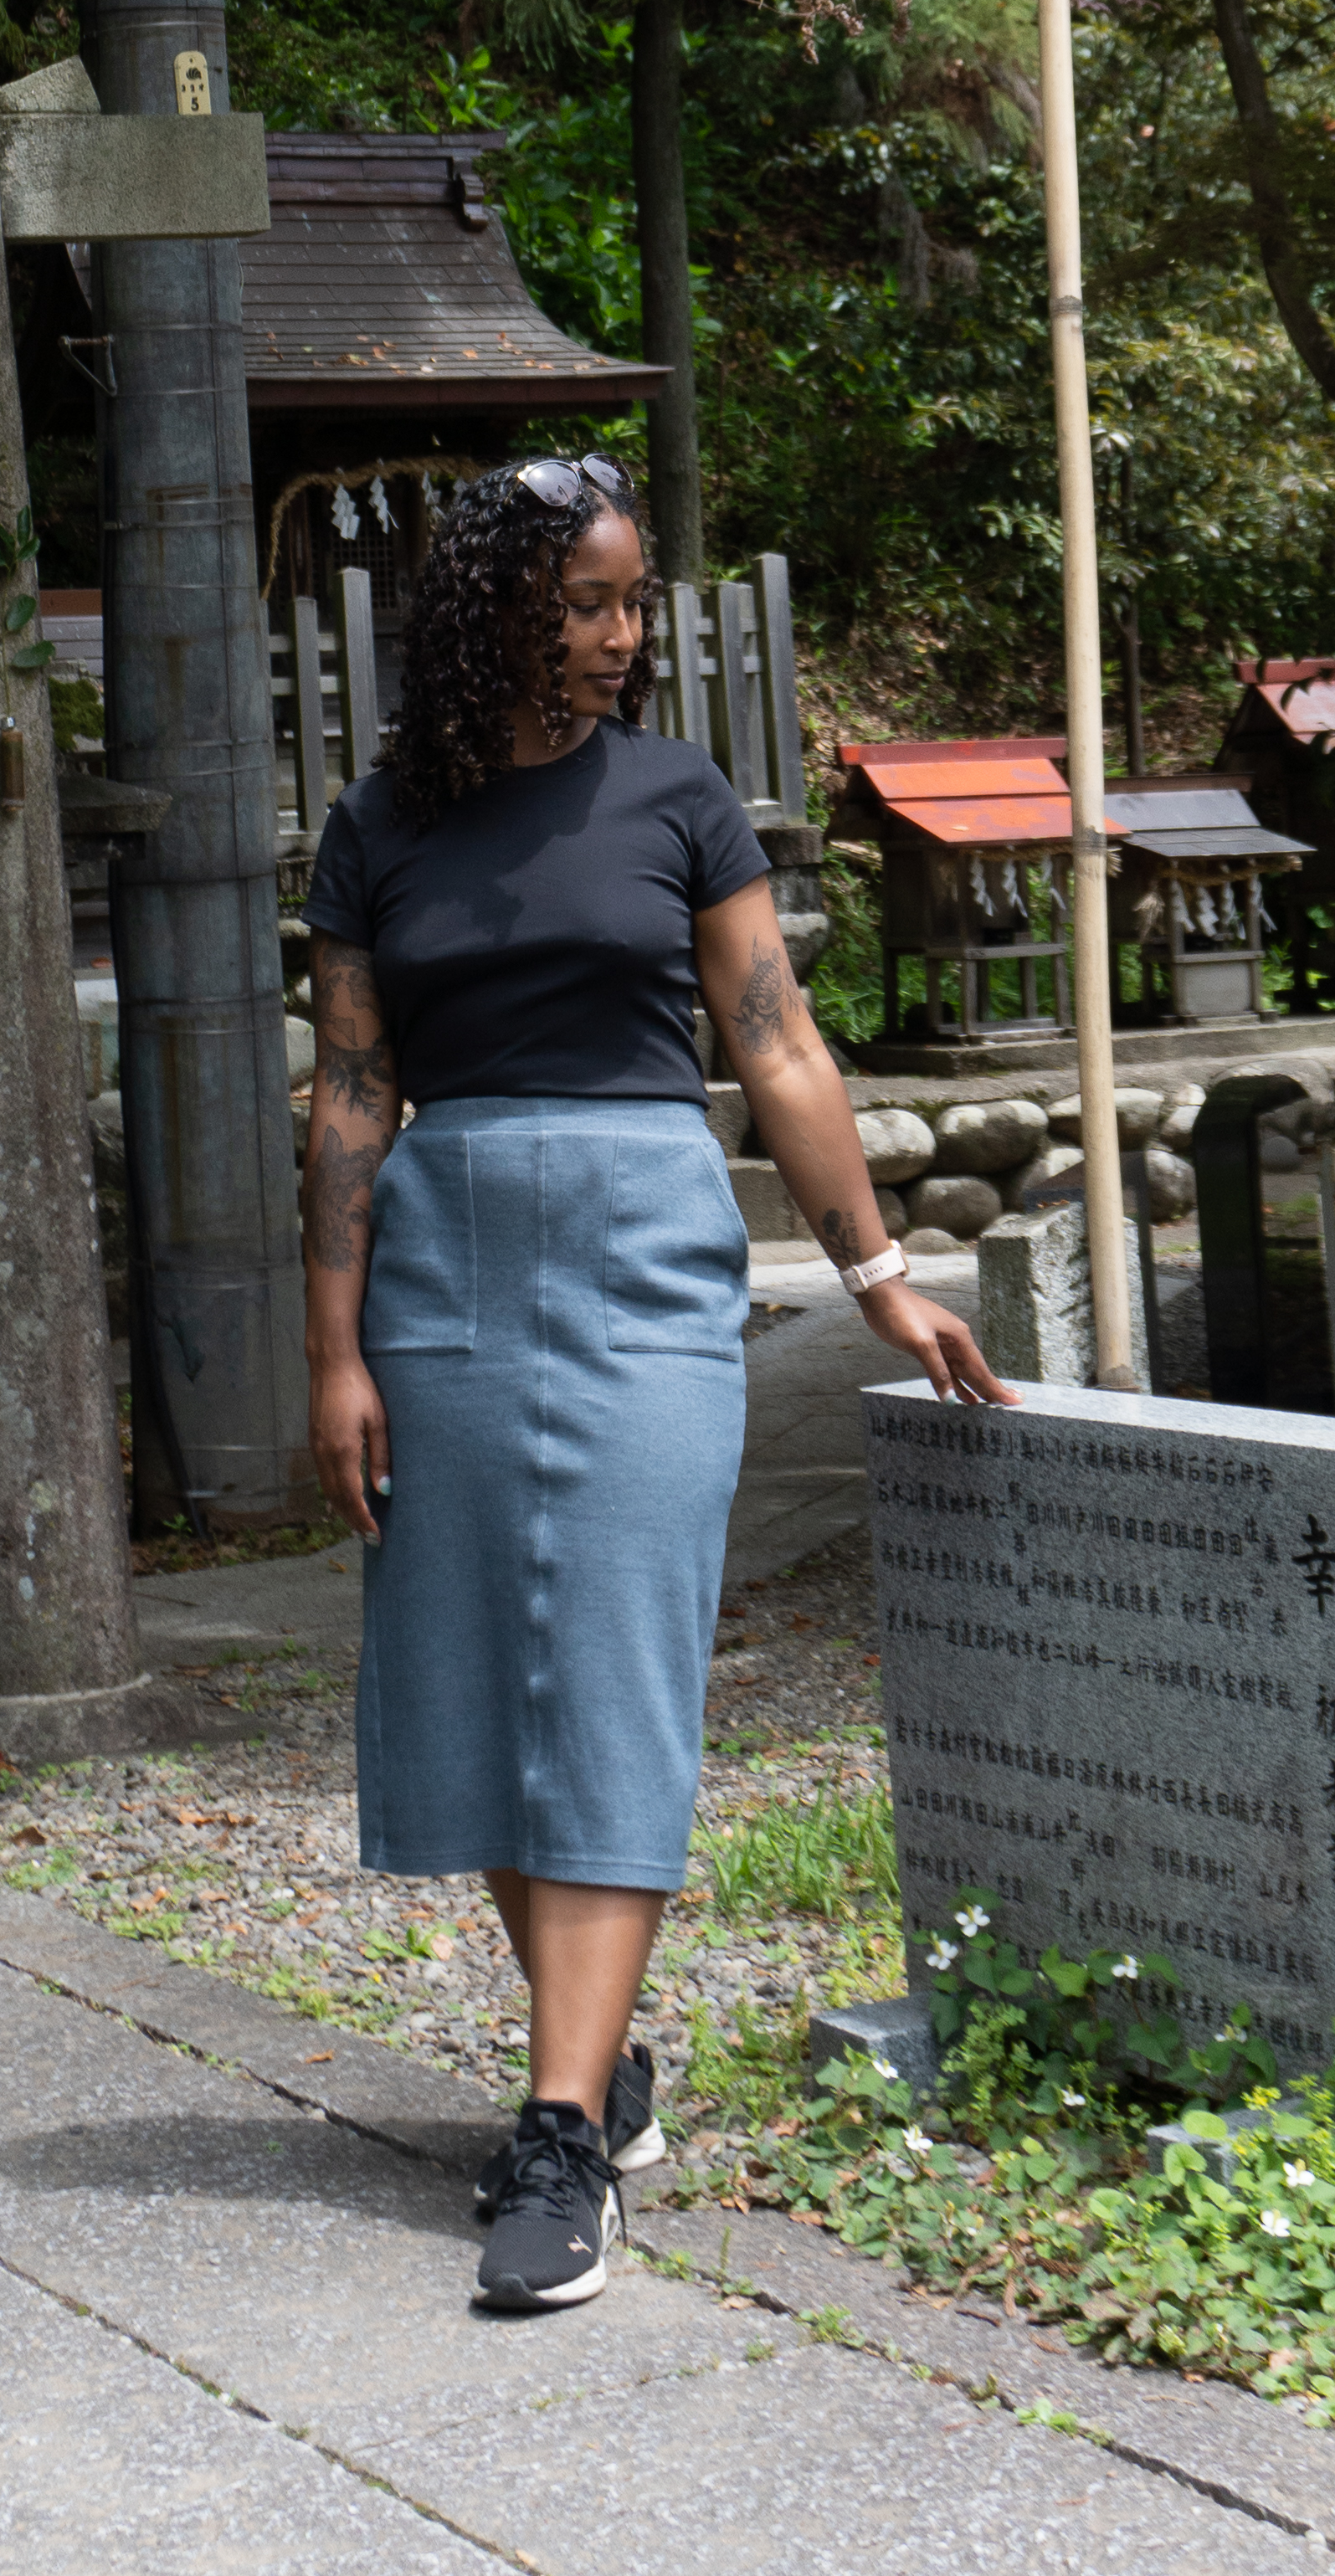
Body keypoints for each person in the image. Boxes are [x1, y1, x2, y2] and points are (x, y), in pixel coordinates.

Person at [301, 454, 1007, 2313]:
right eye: (590, 603)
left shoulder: (679, 799)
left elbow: (772, 1041)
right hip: (446, 1254)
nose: (621, 638)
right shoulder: (378, 825)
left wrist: (876, 1274)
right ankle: (594, 2062)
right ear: (496, 612)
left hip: (641, 1249)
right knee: (464, 1667)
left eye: (633, 604)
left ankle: (553, 2139)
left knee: (613, 1658)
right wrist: (332, 1350)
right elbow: (353, 1095)